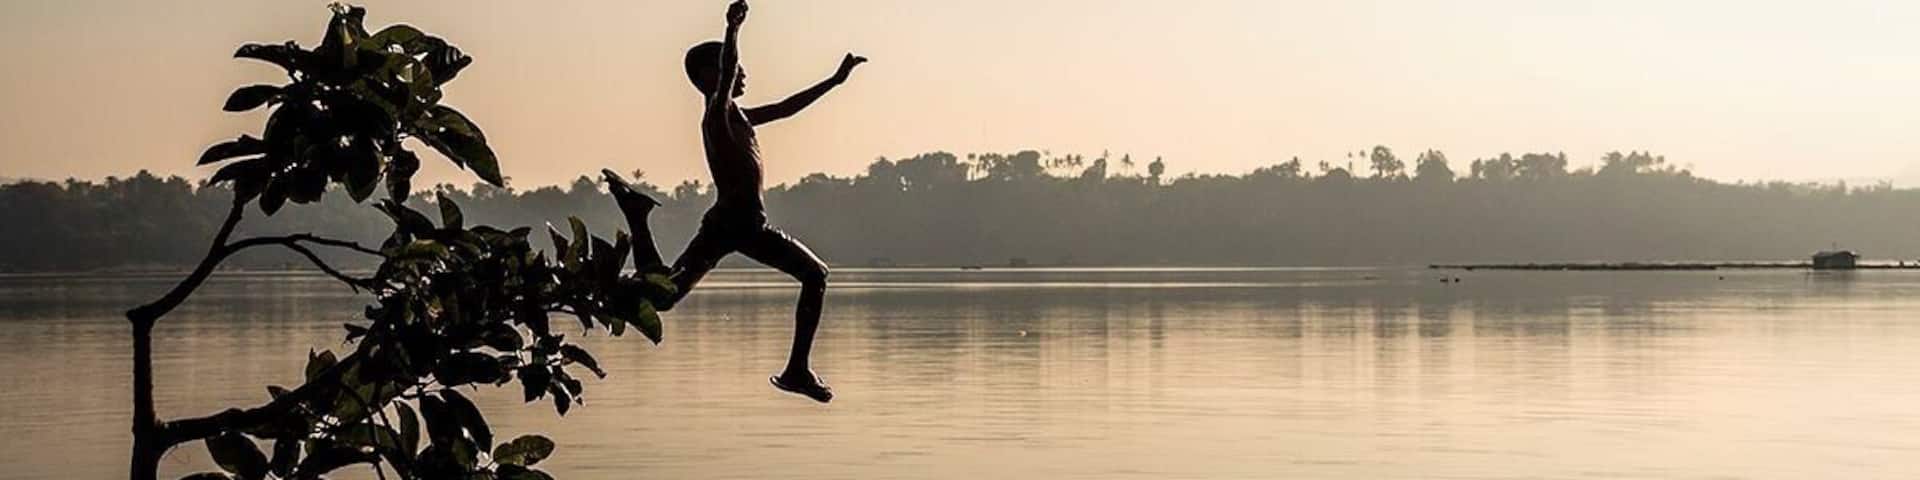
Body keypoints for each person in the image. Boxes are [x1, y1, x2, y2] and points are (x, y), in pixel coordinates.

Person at [604, 0, 866, 403]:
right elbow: (728, 71)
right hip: (741, 224)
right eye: (732, 69)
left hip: (727, 223)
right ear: (710, 74)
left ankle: (638, 218)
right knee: (815, 275)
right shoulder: (717, 112)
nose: (743, 73)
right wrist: (732, 29)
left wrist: (834, 81)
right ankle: (797, 370)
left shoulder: (737, 116)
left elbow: (784, 108)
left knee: (666, 297)